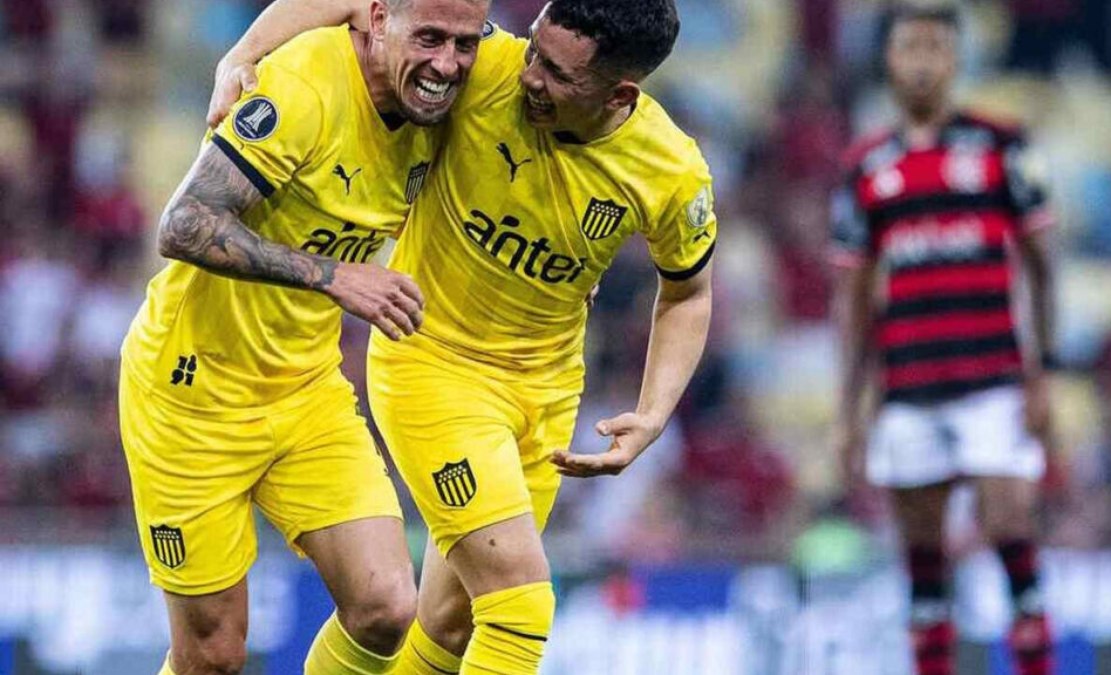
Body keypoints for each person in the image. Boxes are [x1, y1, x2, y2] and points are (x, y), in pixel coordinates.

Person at [211, 0, 716, 672]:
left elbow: (687, 291)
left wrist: (653, 413)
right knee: (520, 605)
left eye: (559, 75)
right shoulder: (482, 69)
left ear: (620, 92)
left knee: (449, 624)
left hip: (545, 393)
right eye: (535, 49)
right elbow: (363, 6)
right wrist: (240, 55)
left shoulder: (670, 172)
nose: (531, 76)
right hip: (431, 364)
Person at [119, 1, 489, 672]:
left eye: (466, 42)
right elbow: (182, 223)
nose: (447, 63)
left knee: (385, 608)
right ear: (377, 21)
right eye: (430, 38)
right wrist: (332, 276)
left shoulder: (452, 91)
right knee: (213, 654)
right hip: (190, 395)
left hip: (304, 390)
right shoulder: (304, 87)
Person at [829, 4, 1056, 675]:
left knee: (1012, 529)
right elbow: (852, 299)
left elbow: (1043, 267)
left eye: (935, 46)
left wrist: (1044, 374)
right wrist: (850, 413)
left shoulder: (1002, 144)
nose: (922, 59)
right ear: (888, 59)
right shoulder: (865, 165)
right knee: (923, 566)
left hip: (995, 379)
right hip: (909, 386)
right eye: (908, 46)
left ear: (957, 59)